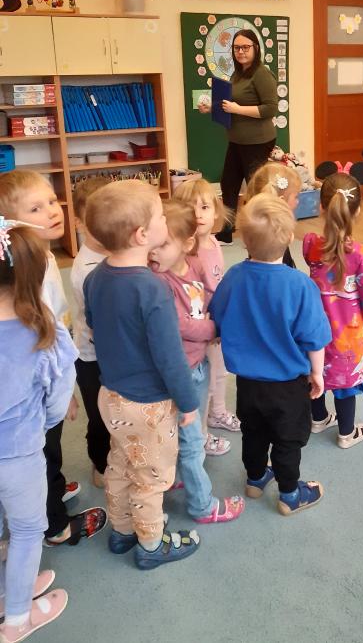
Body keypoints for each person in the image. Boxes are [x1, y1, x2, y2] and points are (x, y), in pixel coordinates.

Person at [83, 180, 201, 570]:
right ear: (141, 235)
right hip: (148, 405)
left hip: (111, 396)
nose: (165, 219)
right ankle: (151, 545)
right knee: (151, 476)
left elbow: (95, 325)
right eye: (160, 216)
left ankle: (122, 531)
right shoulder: (152, 288)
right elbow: (170, 357)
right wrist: (188, 403)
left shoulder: (95, 276)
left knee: (120, 463)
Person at [0, 170, 105, 547]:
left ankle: (51, 490)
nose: (52, 210)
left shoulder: (42, 258)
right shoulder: (34, 273)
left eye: (51, 201)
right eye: (35, 208)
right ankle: (55, 526)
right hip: (38, 385)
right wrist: (62, 392)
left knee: (48, 450)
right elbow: (44, 337)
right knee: (44, 450)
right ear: (10, 225)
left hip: (41, 374)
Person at [210, 194, 331, 515]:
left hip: (248, 384)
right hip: (288, 385)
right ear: (290, 238)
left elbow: (217, 318)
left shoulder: (234, 276)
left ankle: (255, 478)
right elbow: (314, 338)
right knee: (287, 440)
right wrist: (317, 373)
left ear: (244, 240)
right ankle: (290, 494)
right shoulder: (300, 285)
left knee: (253, 432)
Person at [0, 221, 77, 642]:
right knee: (28, 531)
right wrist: (43, 425)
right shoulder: (45, 329)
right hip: (19, 454)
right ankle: (16, 619)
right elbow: (57, 400)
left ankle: (11, 588)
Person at [149, 199, 244, 523]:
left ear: (187, 244)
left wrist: (219, 314)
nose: (153, 252)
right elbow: (180, 325)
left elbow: (208, 296)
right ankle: (203, 506)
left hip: (198, 364)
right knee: (191, 441)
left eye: (163, 245)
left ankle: (178, 475)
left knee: (189, 430)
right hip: (181, 371)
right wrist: (214, 328)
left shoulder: (192, 266)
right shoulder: (159, 281)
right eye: (152, 244)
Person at [303, 171, 363, 448]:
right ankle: (346, 433)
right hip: (348, 336)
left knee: (316, 373)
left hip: (315, 331)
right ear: (357, 211)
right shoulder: (360, 255)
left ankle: (319, 418)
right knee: (345, 385)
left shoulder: (311, 244)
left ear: (321, 207)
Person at [197, 28, 278, 245]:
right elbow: (230, 104)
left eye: (245, 47)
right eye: (236, 48)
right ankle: (226, 231)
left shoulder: (262, 74)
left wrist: (238, 109)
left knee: (255, 189)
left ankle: (265, 233)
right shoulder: (238, 73)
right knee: (229, 184)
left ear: (256, 48)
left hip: (258, 141)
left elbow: (270, 108)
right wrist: (212, 108)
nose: (240, 51)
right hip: (237, 139)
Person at [172, 178, 239, 437]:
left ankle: (217, 413)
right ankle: (200, 432)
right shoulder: (185, 251)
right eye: (190, 208)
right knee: (202, 380)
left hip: (216, 321)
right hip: (199, 325)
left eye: (204, 207)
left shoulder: (213, 242)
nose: (198, 214)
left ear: (216, 212)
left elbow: (217, 283)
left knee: (220, 373)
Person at [70, 177, 111, 489]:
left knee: (116, 411)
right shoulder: (88, 268)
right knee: (99, 417)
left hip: (112, 353)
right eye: (92, 219)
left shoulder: (113, 253)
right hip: (92, 357)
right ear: (79, 222)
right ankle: (100, 464)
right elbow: (103, 323)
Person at [244, 161, 301, 267]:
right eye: (296, 196)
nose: (297, 201)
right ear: (282, 201)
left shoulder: (255, 226)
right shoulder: (278, 236)